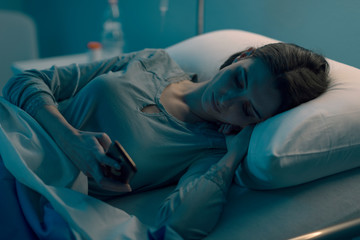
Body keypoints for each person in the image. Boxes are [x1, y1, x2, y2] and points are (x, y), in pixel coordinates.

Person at [3, 42, 329, 239]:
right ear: (244, 55)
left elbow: (179, 225)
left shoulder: (209, 149)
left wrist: (231, 159)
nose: (227, 99)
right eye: (239, 78)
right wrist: (70, 139)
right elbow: (27, 81)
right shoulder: (153, 61)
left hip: (34, 188)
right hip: (13, 132)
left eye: (247, 109)